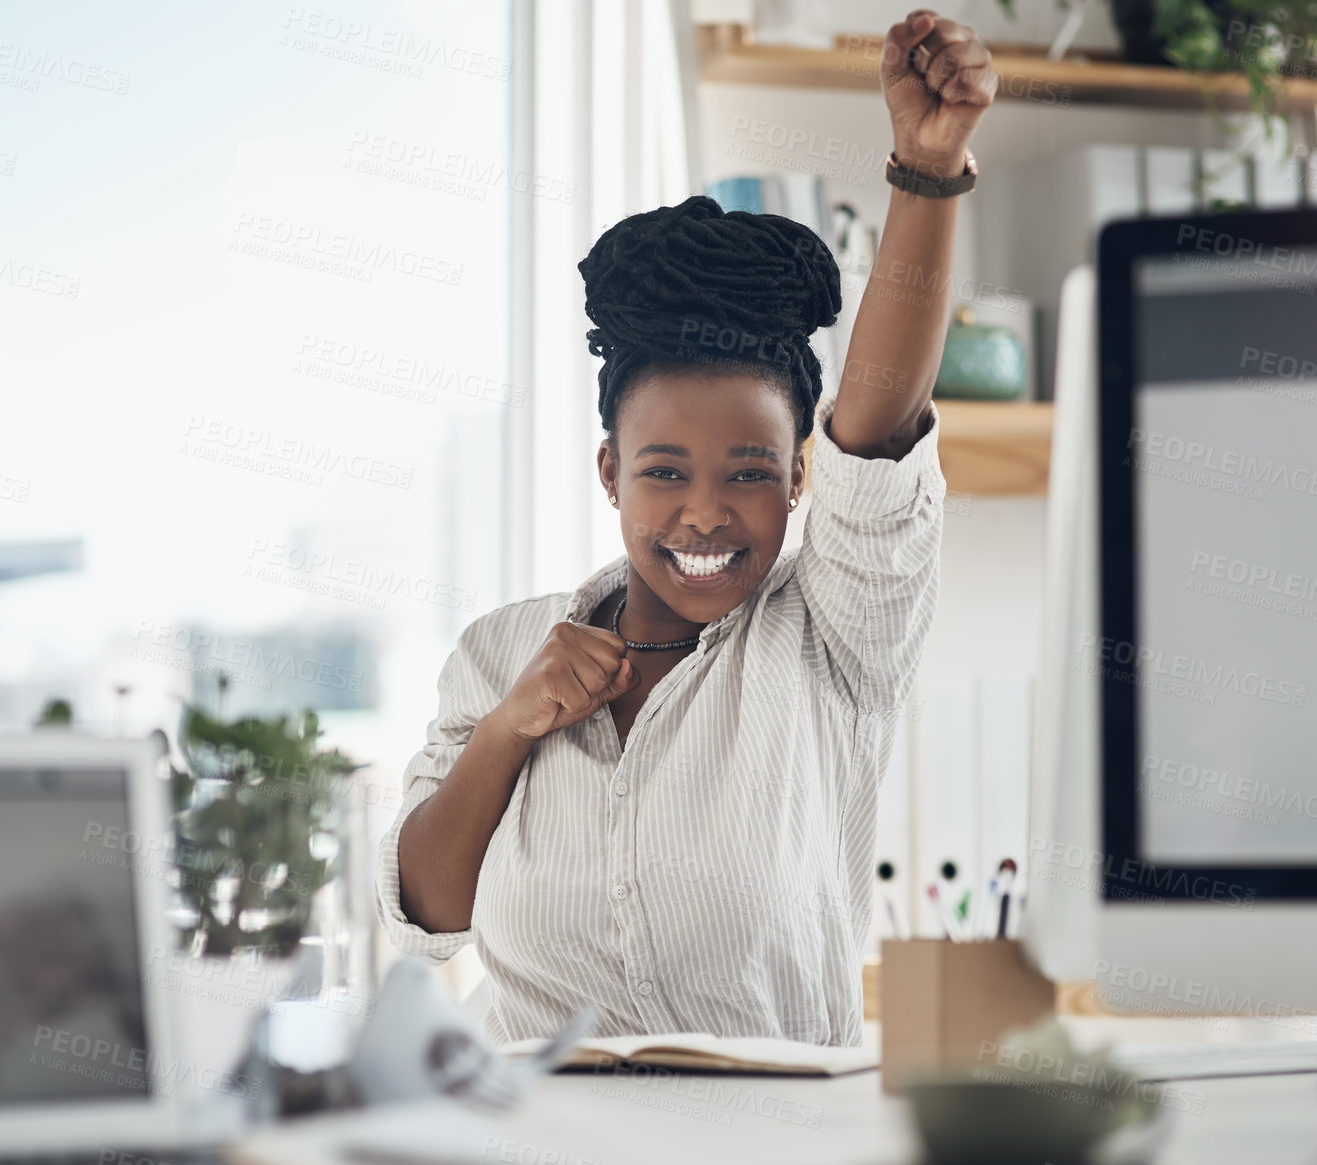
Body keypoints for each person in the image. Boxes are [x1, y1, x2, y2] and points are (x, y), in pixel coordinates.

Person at [378, 9, 997, 1047]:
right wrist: (509, 726)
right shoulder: (497, 652)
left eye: (749, 471)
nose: (706, 511)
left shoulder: (831, 635)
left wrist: (924, 170)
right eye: (663, 471)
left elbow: (875, 429)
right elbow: (431, 912)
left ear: (800, 476)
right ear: (610, 471)